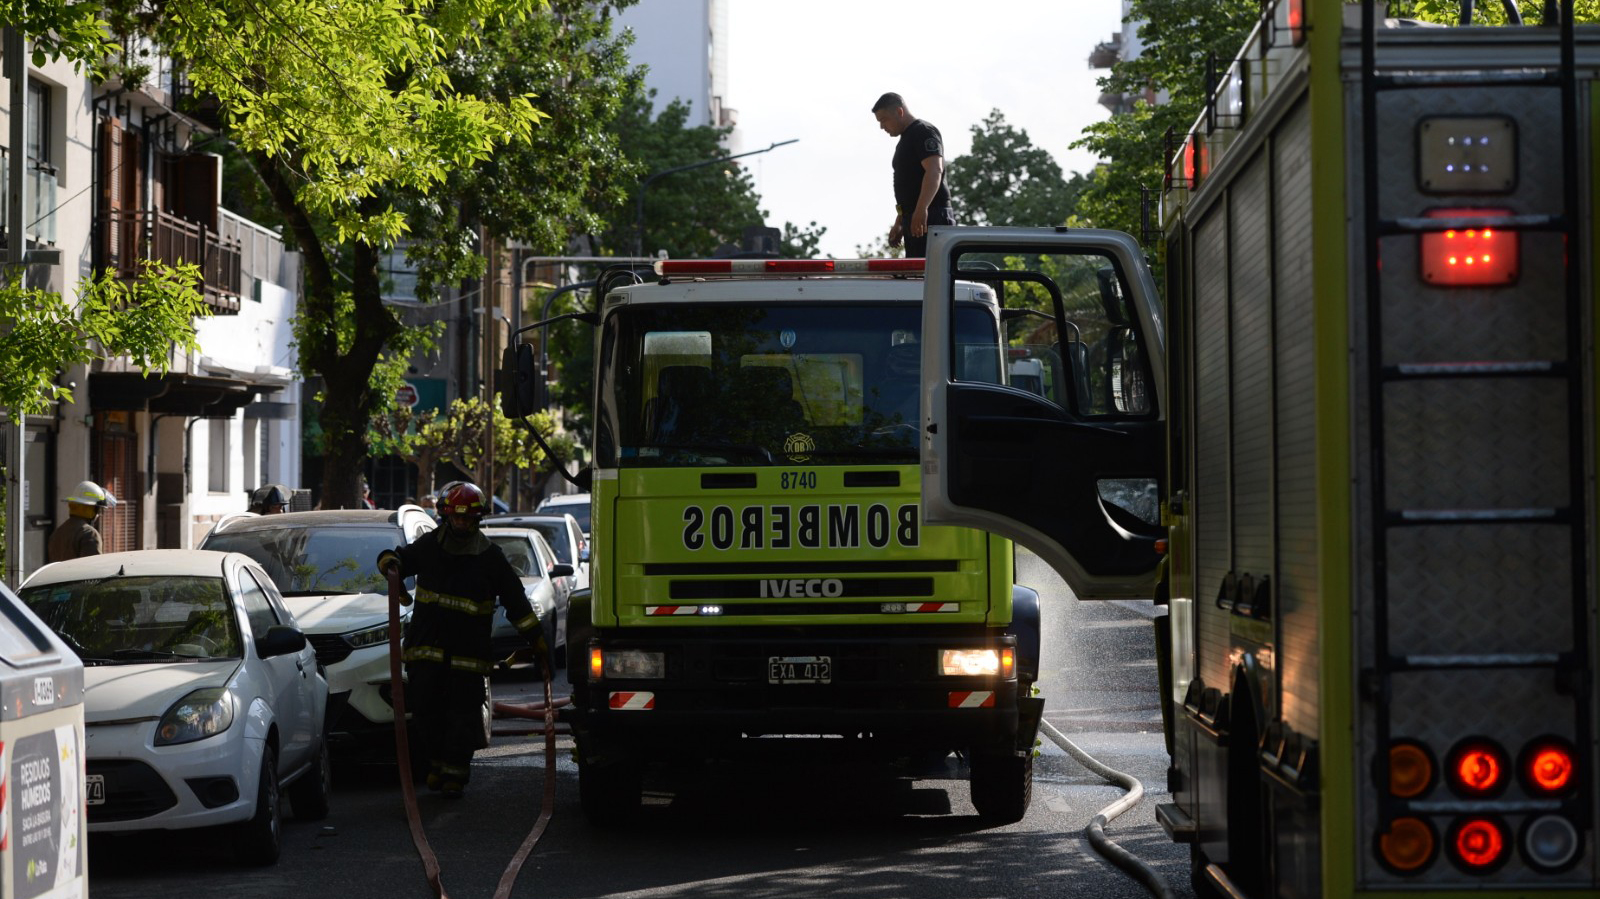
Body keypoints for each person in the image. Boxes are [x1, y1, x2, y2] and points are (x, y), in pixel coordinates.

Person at [376, 482, 546, 797]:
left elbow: (517, 603)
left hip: (468, 653)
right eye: (456, 517)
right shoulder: (429, 546)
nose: (461, 523)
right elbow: (400, 559)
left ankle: (455, 774)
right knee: (425, 709)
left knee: (463, 714)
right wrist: (389, 563)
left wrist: (537, 640)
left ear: (477, 519)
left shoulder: (490, 557)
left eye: (467, 518)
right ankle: (437, 764)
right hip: (426, 649)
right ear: (446, 516)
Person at [872, 92, 955, 258]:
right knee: (916, 272)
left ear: (899, 112)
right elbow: (910, 187)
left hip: (933, 216)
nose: (882, 127)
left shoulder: (923, 131)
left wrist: (922, 209)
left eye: (884, 120)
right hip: (916, 216)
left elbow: (934, 170)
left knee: (933, 271)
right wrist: (900, 222)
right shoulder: (906, 139)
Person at [48, 480, 117, 562]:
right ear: (90, 508)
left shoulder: (58, 532)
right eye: (97, 509)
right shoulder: (89, 533)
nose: (98, 514)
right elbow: (93, 566)